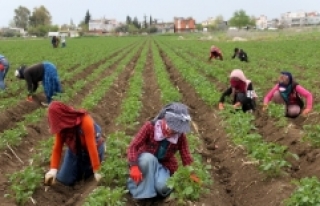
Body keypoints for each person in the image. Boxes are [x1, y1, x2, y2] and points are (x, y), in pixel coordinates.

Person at [127, 102, 200, 202]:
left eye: (176, 130)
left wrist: (192, 173)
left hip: (163, 166)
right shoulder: (150, 127)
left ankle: (153, 192)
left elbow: (186, 155)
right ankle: (142, 196)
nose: (172, 131)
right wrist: (134, 166)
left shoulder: (180, 137)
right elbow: (133, 147)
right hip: (146, 163)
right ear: (165, 119)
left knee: (163, 188)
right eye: (171, 127)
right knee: (148, 158)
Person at [44, 101, 105, 186]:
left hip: (93, 149)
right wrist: (53, 170)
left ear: (63, 117)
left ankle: (90, 168)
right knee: (64, 180)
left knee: (86, 175)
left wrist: (97, 170)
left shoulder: (85, 120)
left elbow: (92, 147)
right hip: (75, 151)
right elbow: (57, 149)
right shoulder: (61, 127)